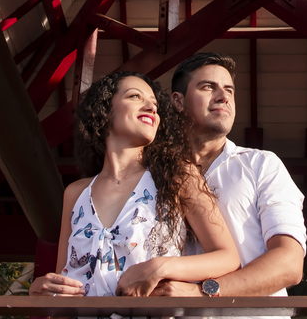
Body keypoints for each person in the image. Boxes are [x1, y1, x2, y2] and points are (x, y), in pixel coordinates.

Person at [30, 70, 240, 298]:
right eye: (135, 96)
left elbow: (227, 257)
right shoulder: (75, 193)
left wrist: (161, 267)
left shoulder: (177, 176)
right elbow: (62, 278)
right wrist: (42, 289)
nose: (151, 108)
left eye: (155, 105)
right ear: (104, 109)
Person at [151, 52, 306, 299]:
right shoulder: (150, 175)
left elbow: (289, 262)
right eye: (208, 87)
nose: (223, 97)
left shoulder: (261, 165)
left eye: (229, 90)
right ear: (178, 102)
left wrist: (201, 293)